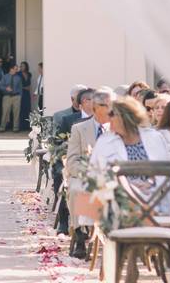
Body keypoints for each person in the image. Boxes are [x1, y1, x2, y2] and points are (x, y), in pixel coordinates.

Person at [90, 97, 170, 210]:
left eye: (112, 114)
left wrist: (149, 182)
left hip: (153, 197)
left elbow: (166, 171)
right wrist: (128, 188)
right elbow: (94, 175)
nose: (109, 118)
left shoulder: (154, 138)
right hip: (119, 201)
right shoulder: (104, 142)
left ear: (126, 117)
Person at [65, 89, 115, 259]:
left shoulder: (117, 130)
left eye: (112, 105)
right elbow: (72, 160)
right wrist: (88, 174)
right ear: (95, 107)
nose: (110, 109)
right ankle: (80, 234)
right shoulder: (79, 129)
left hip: (110, 177)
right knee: (75, 189)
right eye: (106, 105)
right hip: (84, 175)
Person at [0, 61, 23, 132]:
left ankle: (16, 128)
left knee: (16, 113)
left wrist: (20, 96)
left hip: (16, 97)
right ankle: (2, 127)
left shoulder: (18, 78)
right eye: (15, 69)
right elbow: (0, 86)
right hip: (7, 96)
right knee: (5, 112)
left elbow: (20, 88)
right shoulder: (5, 76)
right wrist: (6, 88)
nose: (16, 70)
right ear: (11, 69)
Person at [18, 61, 33, 130]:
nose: (22, 67)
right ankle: (21, 126)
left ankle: (28, 125)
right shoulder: (18, 74)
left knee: (28, 109)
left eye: (23, 66)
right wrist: (24, 87)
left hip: (27, 93)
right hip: (21, 93)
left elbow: (29, 84)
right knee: (21, 109)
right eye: (21, 66)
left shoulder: (29, 74)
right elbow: (17, 85)